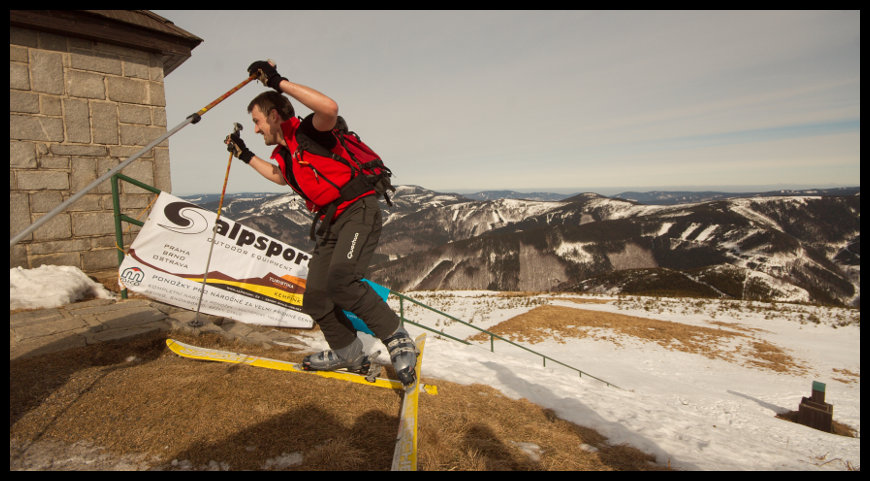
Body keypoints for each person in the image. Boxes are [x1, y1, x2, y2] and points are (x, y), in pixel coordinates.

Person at [225, 60, 417, 386]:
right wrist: (243, 154)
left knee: (342, 280)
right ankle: (348, 352)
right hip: (332, 221)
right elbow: (278, 177)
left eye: (257, 121)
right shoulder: (286, 155)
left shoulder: (310, 132)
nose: (256, 129)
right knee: (314, 296)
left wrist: (276, 81)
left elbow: (329, 106)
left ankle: (396, 337)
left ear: (274, 116)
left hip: (358, 210)